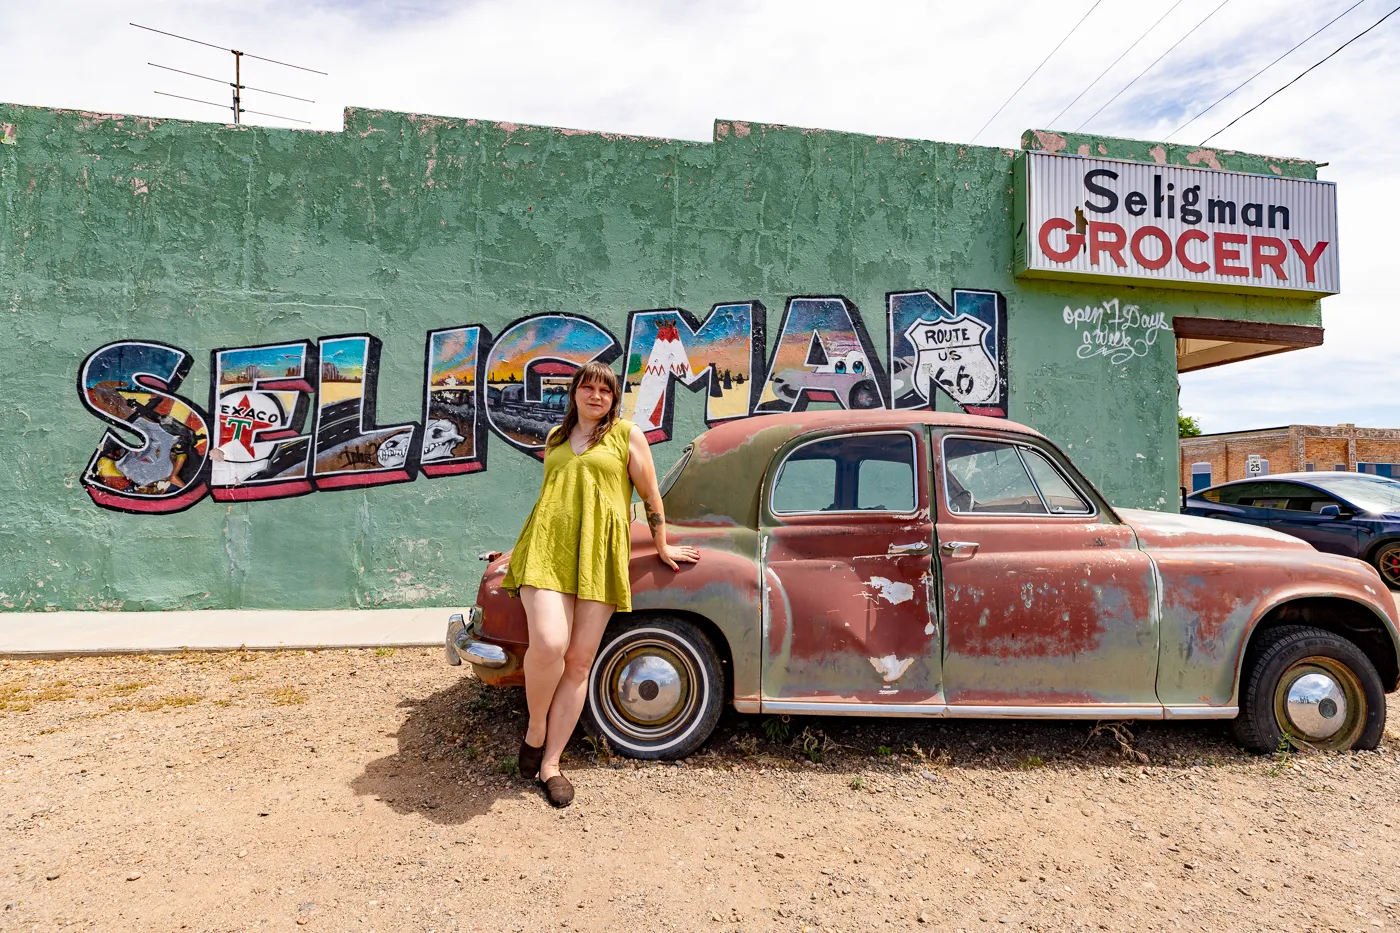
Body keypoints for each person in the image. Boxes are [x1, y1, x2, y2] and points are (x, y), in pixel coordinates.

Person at [501, 361, 700, 807]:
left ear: (613, 398)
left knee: (578, 661)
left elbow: (650, 495)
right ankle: (536, 727)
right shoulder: (555, 438)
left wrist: (663, 545)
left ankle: (551, 762)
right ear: (574, 393)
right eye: (587, 388)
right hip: (548, 548)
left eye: (605, 391)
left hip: (600, 553)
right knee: (549, 644)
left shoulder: (627, 435)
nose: (595, 396)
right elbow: (555, 496)